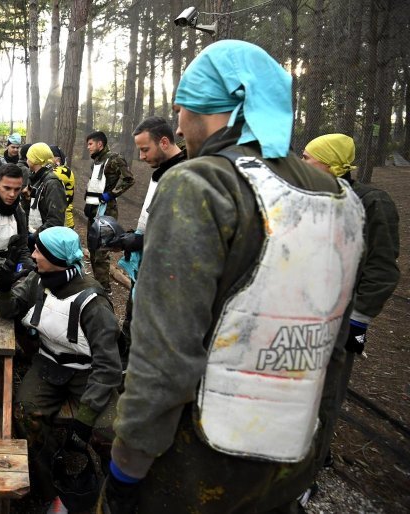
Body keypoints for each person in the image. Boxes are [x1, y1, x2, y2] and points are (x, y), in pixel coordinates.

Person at [100, 40, 366, 513]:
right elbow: (332, 345)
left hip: (199, 467)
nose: (178, 125)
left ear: (210, 110)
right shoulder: (338, 196)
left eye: (182, 108)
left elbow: (164, 356)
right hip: (291, 457)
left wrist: (127, 465)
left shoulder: (200, 184)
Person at [0, 227, 121, 514]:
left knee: (112, 433)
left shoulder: (93, 302)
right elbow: (8, 309)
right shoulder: (36, 281)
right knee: (25, 416)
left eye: (39, 250)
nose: (34, 254)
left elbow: (109, 367)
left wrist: (85, 420)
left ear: (57, 257)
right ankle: (52, 488)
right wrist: (2, 286)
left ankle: (114, 492)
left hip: (88, 374)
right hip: (48, 363)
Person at [302, 133, 400, 469]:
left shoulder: (371, 202)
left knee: (325, 393)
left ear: (329, 164)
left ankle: (312, 466)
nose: (302, 164)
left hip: (340, 317)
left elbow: (382, 267)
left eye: (308, 157)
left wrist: (359, 320)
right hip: (302, 311)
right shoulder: (311, 196)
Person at [109, 116, 186, 362]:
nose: (141, 157)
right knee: (132, 317)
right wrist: (136, 234)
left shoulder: (183, 174)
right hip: (147, 263)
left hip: (166, 271)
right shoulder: (161, 172)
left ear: (164, 142)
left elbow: (179, 228)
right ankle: (123, 365)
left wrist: (142, 241)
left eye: (145, 149)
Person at [83, 131, 135, 293]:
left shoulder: (114, 159)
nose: (88, 147)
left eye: (90, 144)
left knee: (101, 252)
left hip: (107, 212)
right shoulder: (96, 162)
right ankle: (98, 284)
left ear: (100, 144)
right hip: (94, 209)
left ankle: (104, 290)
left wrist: (112, 194)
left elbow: (129, 179)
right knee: (93, 247)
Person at [26, 143, 67, 249]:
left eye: (28, 157)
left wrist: (34, 237)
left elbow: (56, 220)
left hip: (45, 241)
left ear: (35, 159)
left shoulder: (52, 183)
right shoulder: (38, 179)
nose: (27, 159)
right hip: (37, 236)